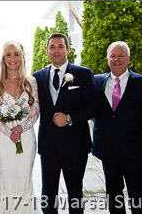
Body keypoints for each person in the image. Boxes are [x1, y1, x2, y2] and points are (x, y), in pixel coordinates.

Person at [33, 33, 97, 214]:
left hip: (75, 144)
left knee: (75, 193)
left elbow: (93, 106)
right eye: (52, 47)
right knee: (48, 194)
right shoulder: (37, 77)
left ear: (68, 50)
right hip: (48, 145)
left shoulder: (83, 74)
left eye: (60, 46)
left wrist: (70, 118)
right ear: (47, 51)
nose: (56, 50)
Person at [91, 42, 142, 214]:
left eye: (121, 55)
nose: (117, 59)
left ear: (128, 59)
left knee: (139, 199)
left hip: (135, 152)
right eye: (113, 56)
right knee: (114, 197)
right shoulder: (96, 82)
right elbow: (77, 90)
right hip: (108, 151)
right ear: (107, 60)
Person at [0, 41, 40, 213]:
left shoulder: (30, 81)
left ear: (22, 57)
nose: (12, 58)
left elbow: (35, 110)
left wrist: (20, 128)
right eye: (8, 55)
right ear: (3, 59)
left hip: (25, 138)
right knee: (5, 176)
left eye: (16, 54)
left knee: (24, 178)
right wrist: (8, 132)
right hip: (4, 139)